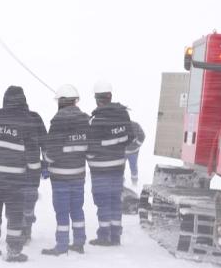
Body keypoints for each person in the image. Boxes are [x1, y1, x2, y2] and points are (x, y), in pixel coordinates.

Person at [0, 86, 45, 262]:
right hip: (15, 178)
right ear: (23, 100)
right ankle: (13, 250)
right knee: (15, 214)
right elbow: (33, 154)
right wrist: (34, 178)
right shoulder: (26, 120)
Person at [40, 84, 90, 256]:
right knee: (77, 209)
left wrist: (46, 161)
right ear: (75, 101)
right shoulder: (85, 120)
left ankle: (61, 245)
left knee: (62, 211)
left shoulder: (58, 121)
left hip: (60, 176)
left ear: (60, 102)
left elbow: (51, 152)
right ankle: (79, 242)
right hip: (78, 174)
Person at [86, 79, 134, 246]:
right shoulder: (123, 115)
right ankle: (115, 235)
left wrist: (94, 156)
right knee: (115, 200)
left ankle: (104, 235)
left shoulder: (94, 121)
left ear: (97, 99)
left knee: (103, 201)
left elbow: (89, 146)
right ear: (110, 96)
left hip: (100, 170)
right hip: (118, 167)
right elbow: (130, 137)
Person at [126, 120, 146, 186]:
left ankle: (134, 184)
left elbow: (142, 136)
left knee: (133, 167)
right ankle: (121, 184)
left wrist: (135, 145)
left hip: (133, 152)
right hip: (121, 153)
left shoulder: (135, 125)